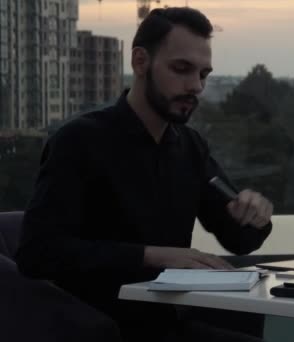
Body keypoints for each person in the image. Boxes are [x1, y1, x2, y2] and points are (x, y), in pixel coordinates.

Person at [16, 7, 273, 342]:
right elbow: (38, 254)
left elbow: (238, 239)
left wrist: (256, 214)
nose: (195, 86)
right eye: (181, 69)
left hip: (168, 324)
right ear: (140, 62)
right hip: (93, 327)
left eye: (203, 74)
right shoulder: (79, 141)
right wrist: (150, 255)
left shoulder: (189, 146)